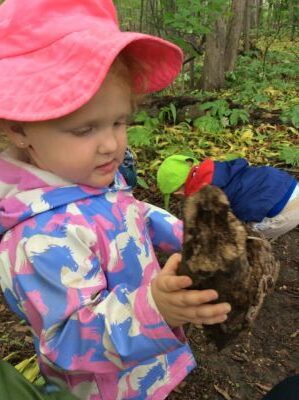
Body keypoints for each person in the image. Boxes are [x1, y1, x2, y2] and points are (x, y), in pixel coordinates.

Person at [0, 1, 231, 399]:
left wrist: (187, 236)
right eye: (85, 128)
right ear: (20, 129)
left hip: (145, 362)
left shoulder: (88, 176)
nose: (111, 144)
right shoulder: (38, 237)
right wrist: (157, 309)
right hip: (106, 388)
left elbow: (129, 213)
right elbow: (68, 341)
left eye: (120, 122)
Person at [157, 155, 299, 240]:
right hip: (289, 185)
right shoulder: (216, 169)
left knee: (246, 239)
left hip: (284, 212)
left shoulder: (204, 197)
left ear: (178, 194)